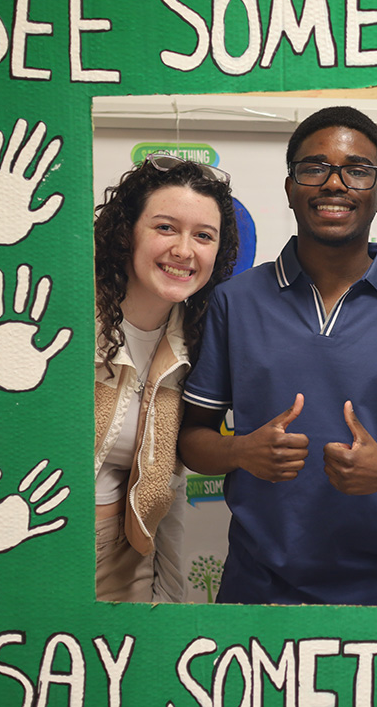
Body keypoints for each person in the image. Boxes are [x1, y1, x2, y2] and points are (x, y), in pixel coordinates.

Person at [178, 106, 377, 606]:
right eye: (314, 168)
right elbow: (191, 440)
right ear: (290, 188)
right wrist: (240, 451)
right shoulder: (235, 300)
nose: (335, 183)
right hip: (254, 590)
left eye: (357, 171)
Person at [94, 153, 238, 602]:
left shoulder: (199, 342)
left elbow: (166, 486)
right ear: (126, 233)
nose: (183, 250)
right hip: (23, 541)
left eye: (203, 236)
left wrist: (169, 601)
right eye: (165, 227)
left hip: (124, 563)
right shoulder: (60, 315)